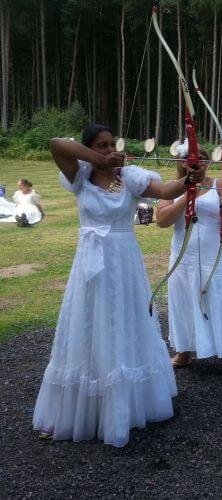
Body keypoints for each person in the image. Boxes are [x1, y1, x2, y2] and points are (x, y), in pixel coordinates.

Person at [32, 124, 203, 447]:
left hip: (125, 263)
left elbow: (166, 191)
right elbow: (57, 143)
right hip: (91, 265)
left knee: (126, 323)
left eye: (113, 144)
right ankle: (82, 410)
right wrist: (98, 160)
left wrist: (189, 179)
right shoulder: (79, 173)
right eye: (102, 145)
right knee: (89, 325)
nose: (111, 150)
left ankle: (128, 404)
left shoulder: (130, 175)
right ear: (89, 148)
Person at [155, 147, 222, 387]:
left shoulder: (218, 185)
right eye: (191, 160)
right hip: (184, 259)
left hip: (216, 257)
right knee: (184, 302)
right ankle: (185, 352)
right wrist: (187, 192)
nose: (197, 163)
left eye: (201, 159)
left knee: (221, 303)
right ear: (182, 163)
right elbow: (162, 220)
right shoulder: (172, 187)